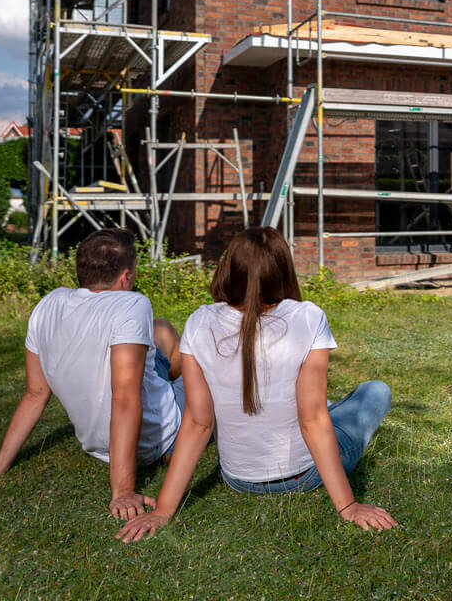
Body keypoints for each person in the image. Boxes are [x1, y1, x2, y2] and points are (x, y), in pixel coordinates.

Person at [115, 226, 396, 541]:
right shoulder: (309, 317)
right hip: (304, 476)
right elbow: (312, 419)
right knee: (374, 391)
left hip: (238, 478)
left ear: (229, 269)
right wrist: (349, 506)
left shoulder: (199, 321)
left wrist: (163, 510)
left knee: (318, 407)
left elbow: (198, 423)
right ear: (283, 270)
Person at [0, 228, 183, 520]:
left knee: (161, 330)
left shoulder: (49, 304)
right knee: (197, 363)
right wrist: (123, 490)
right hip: (151, 441)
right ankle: (176, 437)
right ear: (126, 277)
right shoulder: (133, 303)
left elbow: (36, 393)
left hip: (99, 449)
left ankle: (169, 372)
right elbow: (124, 398)